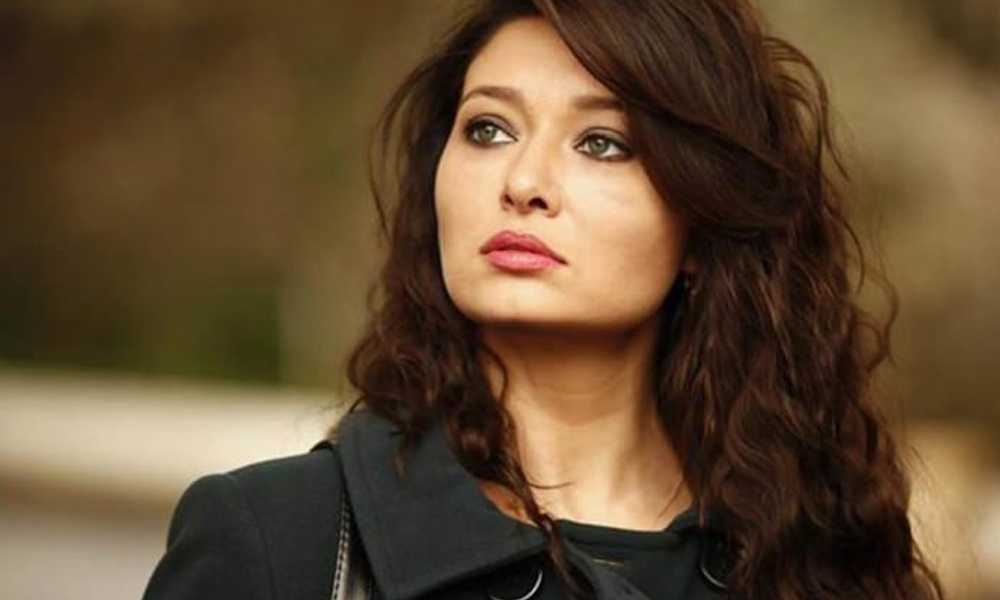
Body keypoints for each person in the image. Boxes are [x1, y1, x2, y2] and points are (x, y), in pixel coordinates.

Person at [141, 1, 946, 599]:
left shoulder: (818, 551)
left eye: (602, 142)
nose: (523, 182)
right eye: (489, 128)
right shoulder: (276, 538)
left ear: (704, 222)